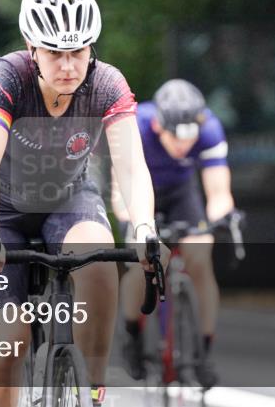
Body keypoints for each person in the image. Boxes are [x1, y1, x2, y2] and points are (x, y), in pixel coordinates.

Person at [0, 0, 166, 407]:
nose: (68, 66)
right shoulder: (9, 76)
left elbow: (131, 166)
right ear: (31, 48)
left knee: (99, 261)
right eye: (55, 53)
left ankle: (91, 388)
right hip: (3, 208)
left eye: (78, 52)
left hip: (69, 198)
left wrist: (145, 229)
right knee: (7, 343)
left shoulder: (107, 84)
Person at [112, 79, 234, 389]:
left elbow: (219, 192)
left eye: (190, 137)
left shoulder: (209, 129)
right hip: (139, 193)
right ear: (158, 125)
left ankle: (203, 351)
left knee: (200, 258)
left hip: (182, 194)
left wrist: (218, 220)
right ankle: (133, 335)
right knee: (139, 265)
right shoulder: (135, 126)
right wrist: (134, 222)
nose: (183, 145)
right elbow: (120, 188)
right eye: (175, 137)